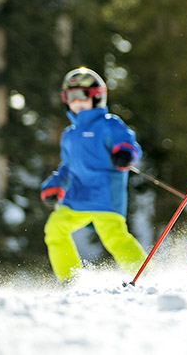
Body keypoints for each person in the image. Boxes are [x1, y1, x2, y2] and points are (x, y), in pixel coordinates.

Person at [40, 67, 146, 282]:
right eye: (71, 96)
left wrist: (125, 153)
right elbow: (67, 167)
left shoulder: (109, 124)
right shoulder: (69, 135)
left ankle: (145, 276)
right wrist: (55, 185)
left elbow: (127, 144)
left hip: (105, 195)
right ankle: (70, 279)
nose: (76, 101)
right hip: (77, 197)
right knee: (54, 228)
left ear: (97, 96)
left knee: (114, 238)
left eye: (82, 95)